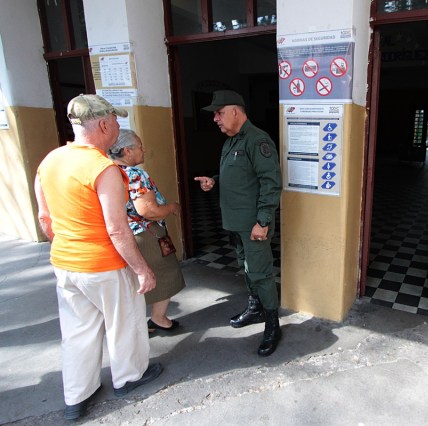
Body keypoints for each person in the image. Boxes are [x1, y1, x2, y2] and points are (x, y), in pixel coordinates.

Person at [34, 94, 163, 421]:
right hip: (104, 265)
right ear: (104, 123)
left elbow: (44, 218)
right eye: (116, 122)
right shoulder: (103, 168)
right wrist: (142, 270)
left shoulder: (50, 160)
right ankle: (129, 376)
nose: (118, 127)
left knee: (77, 331)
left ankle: (77, 397)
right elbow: (118, 230)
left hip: (65, 264)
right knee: (125, 324)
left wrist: (68, 245)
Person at [195, 89, 283, 357]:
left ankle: (272, 324)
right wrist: (215, 180)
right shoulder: (231, 141)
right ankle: (255, 309)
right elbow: (241, 175)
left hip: (253, 225)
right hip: (235, 222)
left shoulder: (257, 140)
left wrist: (263, 221)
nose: (216, 119)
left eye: (219, 113)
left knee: (261, 273)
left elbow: (271, 183)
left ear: (235, 111)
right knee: (246, 268)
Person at [108, 129, 185, 333]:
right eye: (140, 146)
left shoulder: (108, 171)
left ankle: (137, 325)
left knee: (130, 281)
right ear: (127, 150)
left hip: (119, 234)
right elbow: (148, 211)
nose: (143, 150)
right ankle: (157, 318)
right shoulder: (135, 174)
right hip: (144, 234)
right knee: (164, 273)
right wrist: (172, 208)